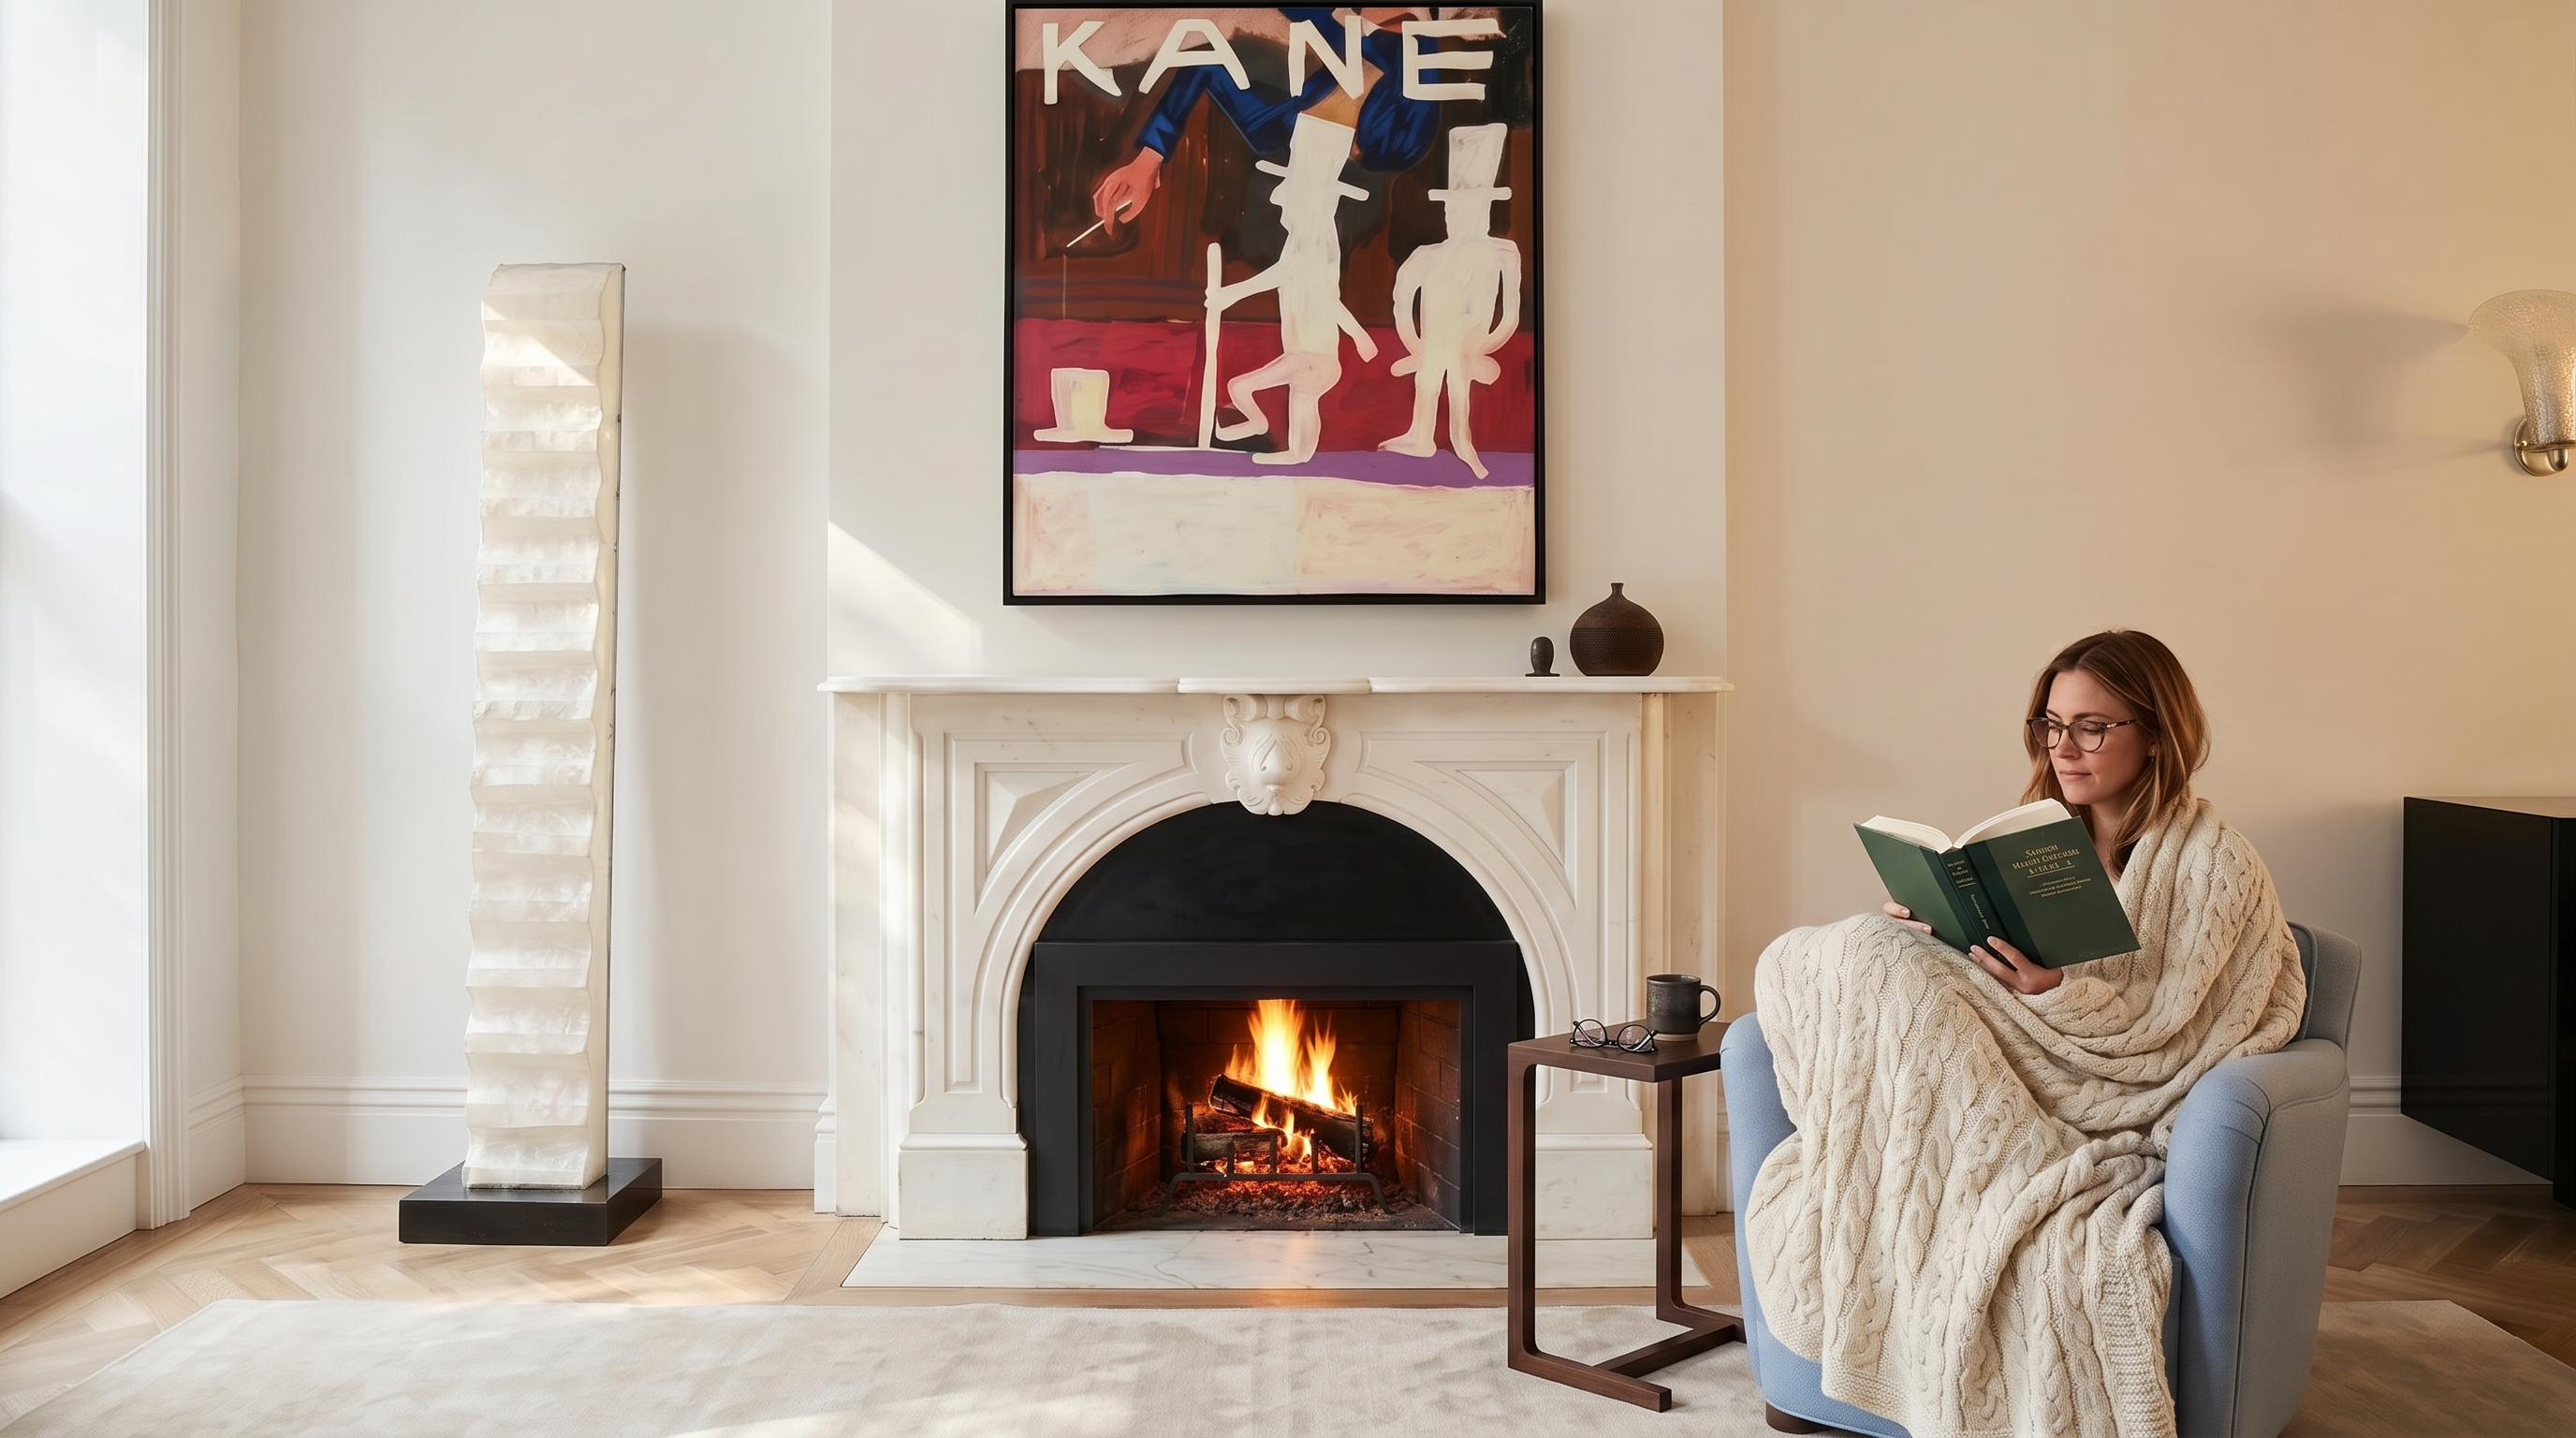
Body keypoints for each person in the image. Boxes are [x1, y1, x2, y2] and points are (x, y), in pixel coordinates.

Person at [1743, 629, 2308, 1438]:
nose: (2064, 746)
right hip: (2017, 1045)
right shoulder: (2039, 840)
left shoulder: (2214, 861)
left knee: (1866, 951)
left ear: (2156, 732)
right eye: (2051, 724)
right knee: (1847, 948)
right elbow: (1987, 976)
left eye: (2092, 726)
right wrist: (1941, 932)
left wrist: (2058, 996)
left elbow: (2173, 1029)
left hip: (2111, 1088)